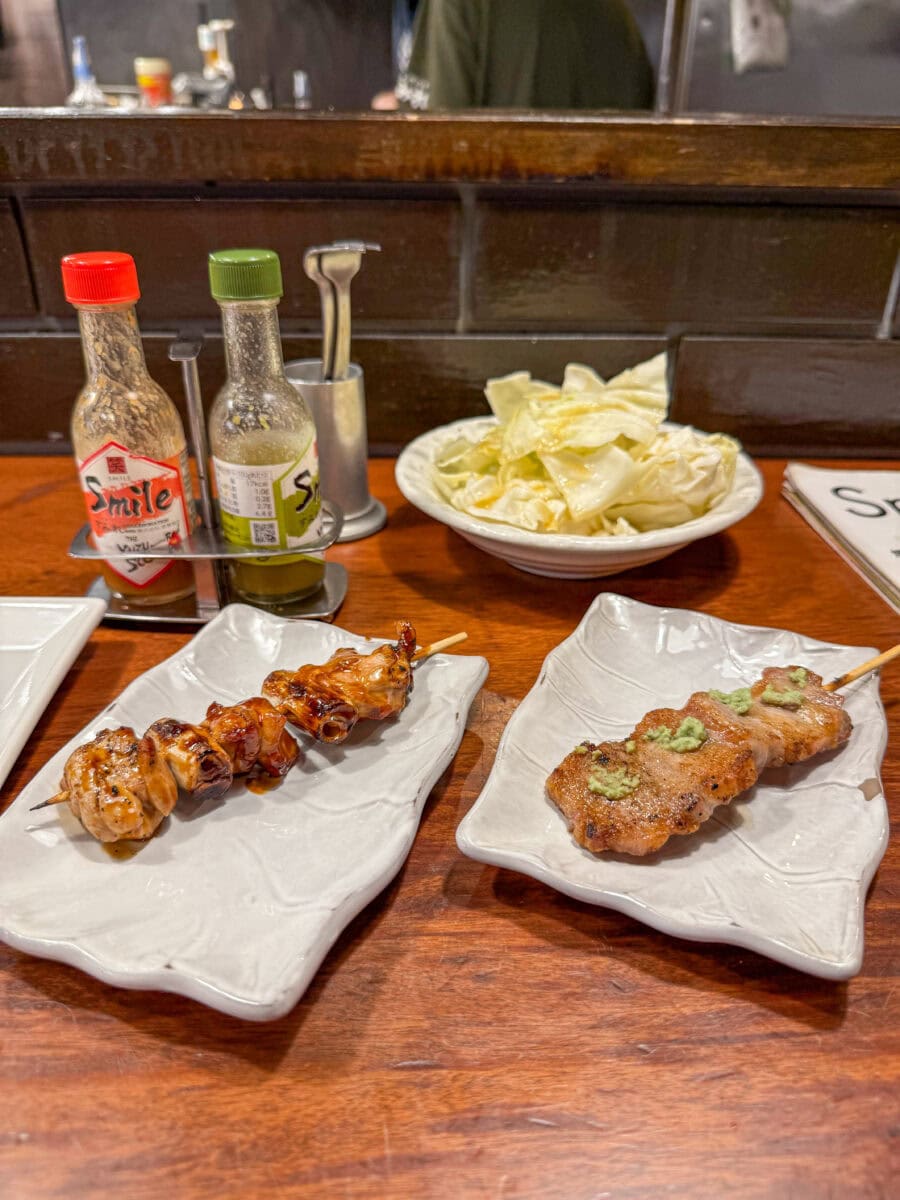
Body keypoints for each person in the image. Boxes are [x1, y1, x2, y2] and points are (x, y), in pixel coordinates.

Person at [396, 0, 654, 111]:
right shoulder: (620, 19)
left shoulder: (460, 5)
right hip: (602, 223)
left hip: (491, 223)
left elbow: (433, 161)